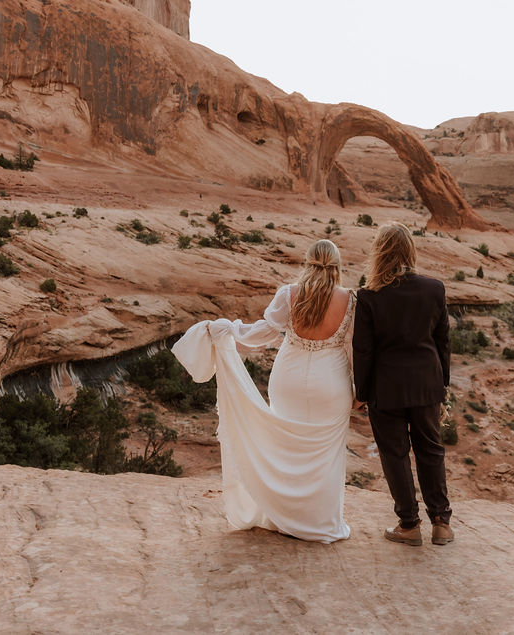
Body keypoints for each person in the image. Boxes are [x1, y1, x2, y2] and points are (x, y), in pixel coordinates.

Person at [172, 239, 354, 542]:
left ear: (307, 262)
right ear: (337, 265)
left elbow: (262, 334)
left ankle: (284, 518)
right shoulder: (351, 300)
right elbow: (352, 349)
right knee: (327, 454)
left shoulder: (289, 294)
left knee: (285, 447)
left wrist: (227, 329)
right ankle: (320, 523)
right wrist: (360, 391)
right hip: (330, 383)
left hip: (289, 379)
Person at [353, 223, 453, 546]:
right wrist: (444, 384)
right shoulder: (433, 289)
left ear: (379, 252)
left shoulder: (369, 296)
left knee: (395, 454)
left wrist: (361, 393)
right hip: (426, 385)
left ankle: (409, 525)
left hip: (387, 388)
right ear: (410, 251)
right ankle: (441, 523)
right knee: (431, 450)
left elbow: (363, 350)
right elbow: (443, 342)